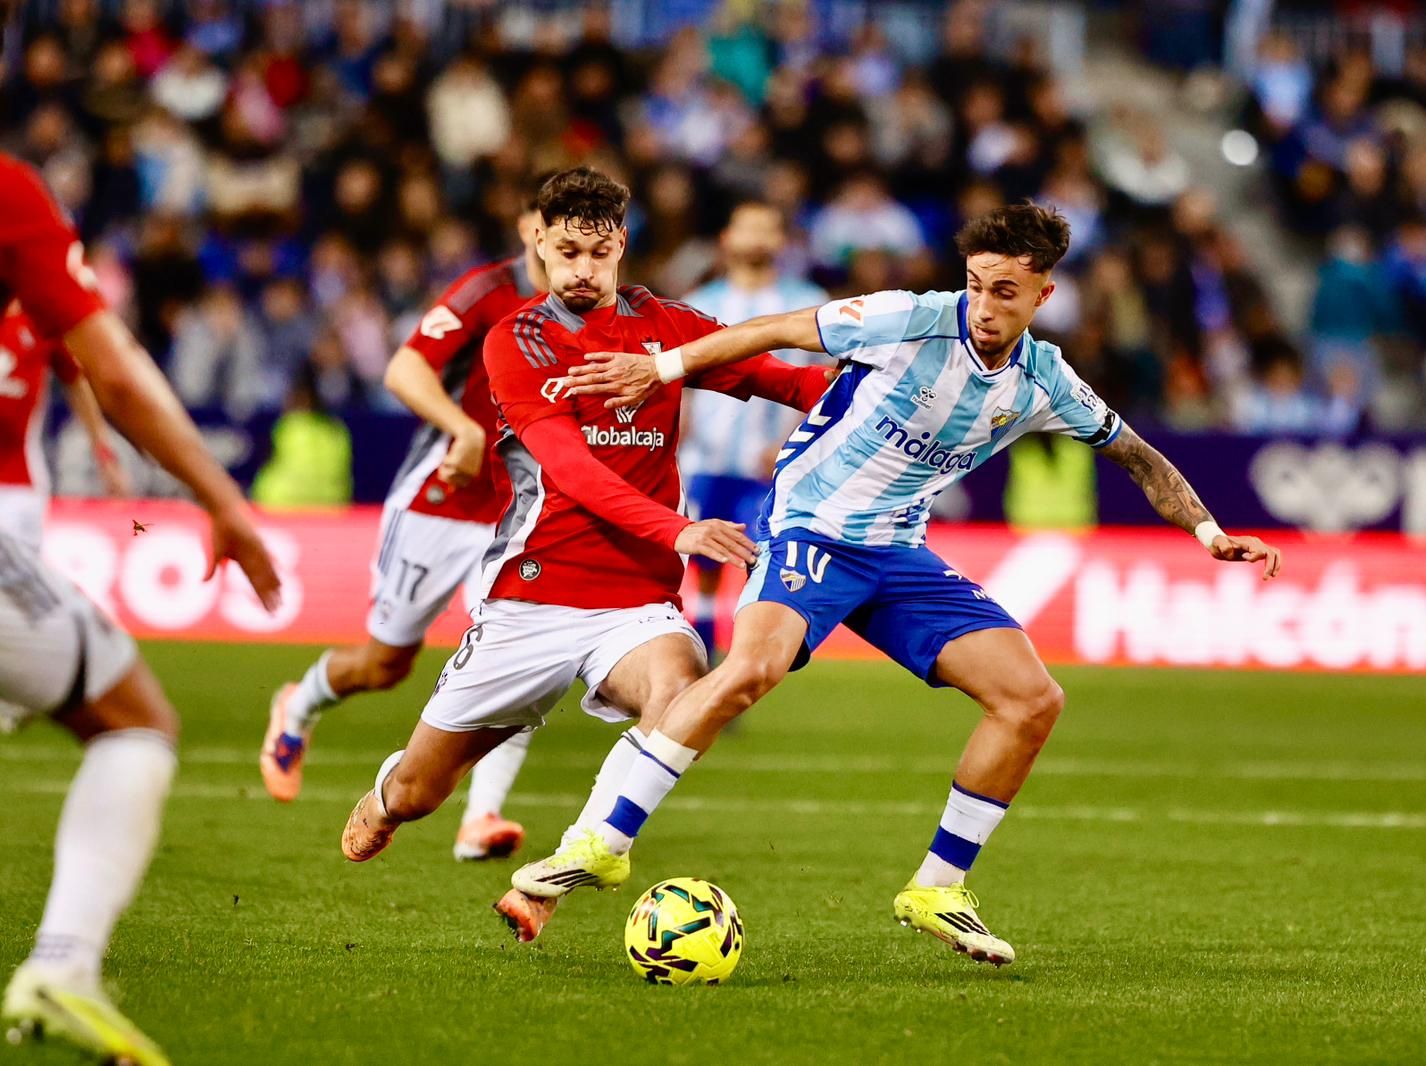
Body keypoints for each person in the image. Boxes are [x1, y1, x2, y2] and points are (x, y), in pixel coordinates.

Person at [512, 201, 1284, 967]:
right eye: (977, 285)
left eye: (1004, 292)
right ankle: (603, 843)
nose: (983, 306)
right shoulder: (908, 318)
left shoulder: (1045, 379)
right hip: (812, 524)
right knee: (750, 669)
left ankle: (938, 889)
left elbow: (1139, 455)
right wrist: (665, 366)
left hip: (897, 551)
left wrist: (1211, 533)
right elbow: (778, 328)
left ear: (1043, 294)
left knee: (1032, 698)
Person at [336, 167, 835, 943]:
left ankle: (572, 861)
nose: (581, 270)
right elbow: (572, 469)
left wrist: (881, 394)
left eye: (598, 253)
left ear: (622, 245)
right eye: (566, 251)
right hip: (532, 597)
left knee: (682, 692)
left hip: (636, 604)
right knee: (419, 790)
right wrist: (677, 529)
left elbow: (781, 378)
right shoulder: (517, 339)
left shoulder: (668, 325)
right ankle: (389, 794)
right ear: (538, 241)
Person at [0, 151, 280, 1065]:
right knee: (133, 721)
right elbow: (108, 365)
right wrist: (222, 500)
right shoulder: (9, 190)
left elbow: (74, 368)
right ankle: (65, 964)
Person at [259, 195, 547, 861]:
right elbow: (403, 368)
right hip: (438, 502)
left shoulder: (594, 309)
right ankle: (296, 706)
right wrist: (462, 429)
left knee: (523, 652)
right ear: (527, 226)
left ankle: (482, 818)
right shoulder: (486, 291)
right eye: (549, 226)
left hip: (516, 511)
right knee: (384, 664)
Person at [678, 201, 829, 657]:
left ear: (782, 241)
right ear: (726, 239)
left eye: (768, 229)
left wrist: (794, 441)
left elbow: (829, 383)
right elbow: (680, 384)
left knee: (759, 563)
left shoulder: (809, 303)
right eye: (748, 228)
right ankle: (703, 661)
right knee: (703, 564)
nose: (758, 238)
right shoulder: (700, 305)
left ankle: (743, 666)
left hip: (773, 465)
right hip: (704, 460)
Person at [0, 301, 128, 549]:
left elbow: (76, 383)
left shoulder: (39, 321)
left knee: (15, 578)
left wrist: (103, 452)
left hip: (20, 485)